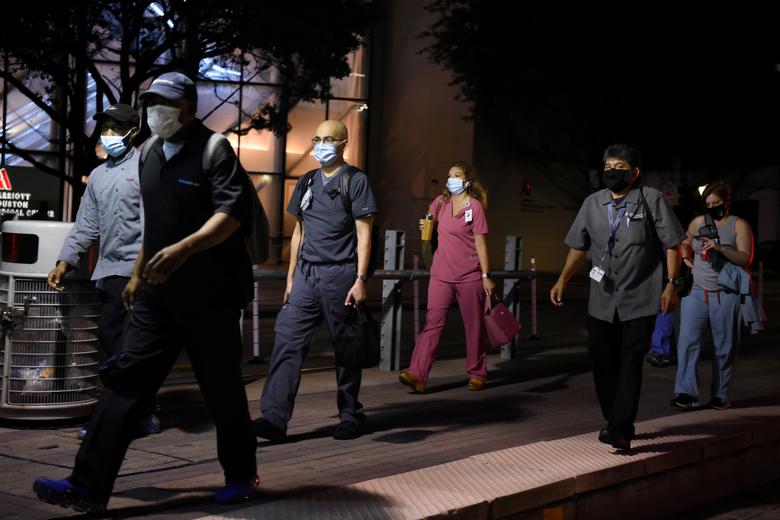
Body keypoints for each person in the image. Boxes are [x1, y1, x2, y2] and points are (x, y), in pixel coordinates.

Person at [33, 72, 258, 513]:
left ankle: (240, 475)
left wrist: (185, 248)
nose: (158, 111)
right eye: (151, 102)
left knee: (222, 390)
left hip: (211, 296)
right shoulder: (150, 152)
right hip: (158, 295)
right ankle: (86, 486)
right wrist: (138, 274)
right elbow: (152, 226)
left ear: (190, 108)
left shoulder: (214, 150)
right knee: (124, 383)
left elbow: (231, 214)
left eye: (167, 104)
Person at [550, 144, 685, 450]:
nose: (612, 171)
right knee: (602, 362)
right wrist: (562, 279)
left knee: (630, 362)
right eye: (608, 166)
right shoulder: (592, 203)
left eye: (619, 166)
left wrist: (672, 284)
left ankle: (620, 427)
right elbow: (578, 247)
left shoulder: (650, 199)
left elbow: (673, 244)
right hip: (601, 300)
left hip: (640, 298)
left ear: (634, 172)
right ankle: (616, 421)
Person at [253, 120, 376, 443]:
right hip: (306, 276)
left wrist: (360, 279)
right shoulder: (307, 181)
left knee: (346, 348)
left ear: (343, 143)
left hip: (341, 275)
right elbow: (299, 232)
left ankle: (350, 415)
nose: (321, 145)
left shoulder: (356, 181)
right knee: (287, 342)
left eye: (329, 139)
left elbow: (364, 234)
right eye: (317, 138)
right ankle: (274, 419)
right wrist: (290, 278)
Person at [47, 103, 160, 439]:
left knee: (135, 348)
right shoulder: (98, 175)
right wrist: (65, 261)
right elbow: (87, 224)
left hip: (139, 273)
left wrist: (141, 274)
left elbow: (153, 224)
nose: (108, 134)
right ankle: (130, 414)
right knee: (112, 350)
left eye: (115, 127)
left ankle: (130, 417)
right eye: (105, 127)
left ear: (134, 130)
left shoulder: (145, 166)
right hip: (109, 274)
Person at [398, 161, 494, 393]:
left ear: (467, 180)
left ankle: (477, 373)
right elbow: (428, 231)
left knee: (474, 326)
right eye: (449, 175)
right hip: (441, 274)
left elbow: (481, 243)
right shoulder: (439, 203)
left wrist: (485, 275)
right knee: (433, 323)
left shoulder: (475, 207)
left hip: (469, 275)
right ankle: (417, 374)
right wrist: (424, 226)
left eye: (457, 175)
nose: (451, 179)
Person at [671, 182, 755, 411]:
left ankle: (720, 394)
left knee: (724, 346)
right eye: (708, 204)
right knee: (688, 342)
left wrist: (720, 248)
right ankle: (686, 393)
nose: (711, 207)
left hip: (726, 293)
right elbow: (685, 242)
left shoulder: (739, 225)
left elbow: (745, 258)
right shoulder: (699, 222)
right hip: (697, 292)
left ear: (726, 202)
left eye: (716, 203)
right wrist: (687, 259)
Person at [646, 181, 695, 368]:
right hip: (658, 269)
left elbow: (682, 244)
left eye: (666, 194)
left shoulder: (679, 215)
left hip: (672, 271)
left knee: (665, 310)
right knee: (662, 311)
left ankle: (662, 350)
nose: (663, 197)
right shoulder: (657, 214)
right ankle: (663, 348)